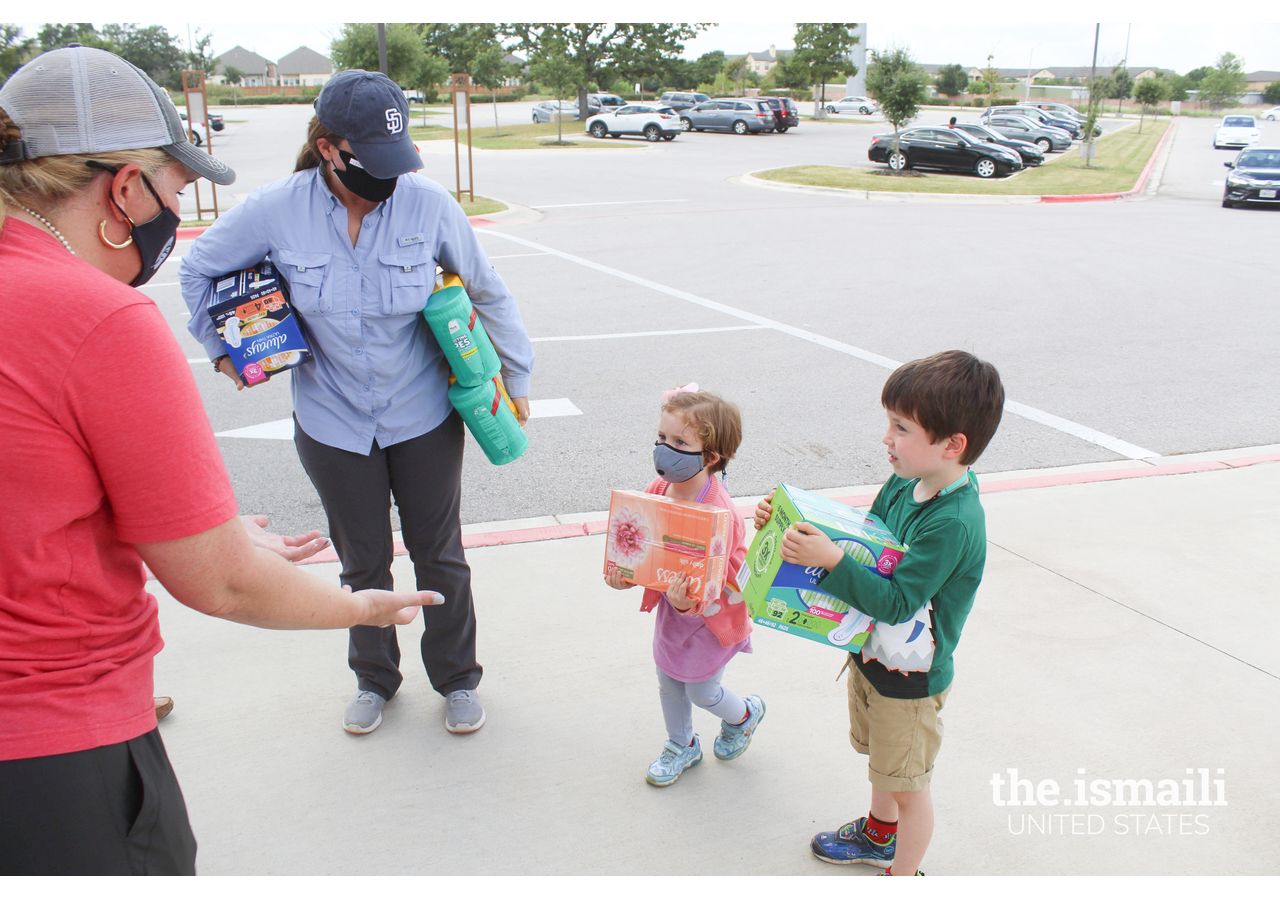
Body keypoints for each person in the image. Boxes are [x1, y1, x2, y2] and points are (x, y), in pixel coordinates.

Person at [0, 46, 442, 876]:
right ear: (122, 189)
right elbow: (222, 581)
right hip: (53, 755)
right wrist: (361, 607)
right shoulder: (98, 320)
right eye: (173, 189)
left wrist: (166, 523)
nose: (176, 211)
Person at [179, 69, 534, 737]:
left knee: (440, 554)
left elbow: (488, 291)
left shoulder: (428, 205)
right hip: (332, 420)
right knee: (361, 560)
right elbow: (199, 268)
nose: (389, 179)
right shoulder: (276, 208)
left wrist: (516, 380)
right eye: (371, 163)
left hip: (422, 413)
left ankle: (457, 678)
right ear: (329, 150)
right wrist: (222, 348)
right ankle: (375, 678)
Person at [755, 350, 1004, 876]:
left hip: (912, 679)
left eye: (901, 427)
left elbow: (897, 601)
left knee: (908, 784)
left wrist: (831, 560)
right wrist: (791, 527)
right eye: (889, 423)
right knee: (884, 766)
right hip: (873, 653)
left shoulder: (953, 523)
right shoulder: (905, 481)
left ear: (951, 444)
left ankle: (903, 873)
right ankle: (878, 833)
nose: (886, 438)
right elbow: (865, 540)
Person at [605, 386, 764, 787]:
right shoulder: (659, 490)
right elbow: (645, 548)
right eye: (661, 438)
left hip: (711, 620)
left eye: (678, 442)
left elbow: (722, 581)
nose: (664, 448)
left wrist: (690, 604)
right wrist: (624, 575)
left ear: (710, 457)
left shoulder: (721, 513)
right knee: (669, 680)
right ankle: (681, 744)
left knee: (702, 690)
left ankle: (744, 714)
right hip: (674, 613)